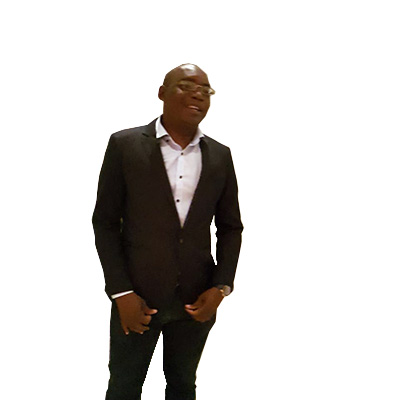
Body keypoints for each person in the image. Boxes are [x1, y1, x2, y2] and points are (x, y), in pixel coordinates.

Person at [92, 63, 243, 400]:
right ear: (162, 93)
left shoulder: (219, 156)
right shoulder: (125, 145)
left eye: (205, 90)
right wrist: (121, 292)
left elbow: (230, 227)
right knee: (124, 386)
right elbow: (105, 223)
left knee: (182, 385)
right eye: (186, 86)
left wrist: (221, 287)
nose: (197, 95)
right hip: (137, 298)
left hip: (196, 300)